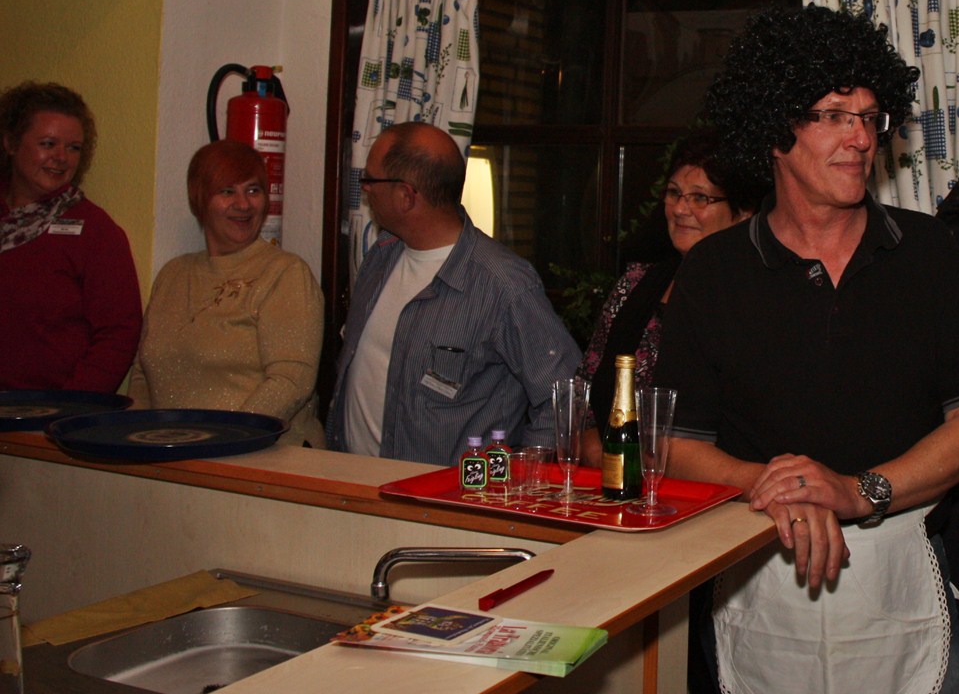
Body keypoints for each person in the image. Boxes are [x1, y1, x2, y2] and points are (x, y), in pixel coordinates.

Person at [654, 4, 959, 694]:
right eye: (834, 116)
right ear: (774, 130)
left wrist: (856, 490)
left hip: (903, 589)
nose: (861, 138)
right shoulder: (714, 270)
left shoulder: (927, 252)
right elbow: (675, 443)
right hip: (759, 578)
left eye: (870, 117)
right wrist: (773, 484)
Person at [325, 121, 580, 465]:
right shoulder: (380, 256)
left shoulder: (503, 285)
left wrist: (522, 475)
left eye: (370, 180)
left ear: (405, 196)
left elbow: (564, 399)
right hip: (351, 480)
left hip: (446, 494)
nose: (365, 189)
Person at [578, 129, 760, 464]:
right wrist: (591, 441)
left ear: (743, 212)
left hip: (721, 482)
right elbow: (585, 391)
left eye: (700, 198)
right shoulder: (637, 284)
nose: (680, 209)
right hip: (618, 480)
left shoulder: (756, 297)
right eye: (674, 193)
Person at [125, 140, 324, 446]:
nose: (243, 204)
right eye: (227, 191)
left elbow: (292, 381)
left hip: (260, 456)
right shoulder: (172, 275)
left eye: (253, 190)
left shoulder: (285, 273)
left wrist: (223, 440)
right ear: (199, 199)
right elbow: (142, 375)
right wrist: (139, 441)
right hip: (174, 455)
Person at [0, 81, 140, 392]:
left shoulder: (96, 232)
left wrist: (71, 408)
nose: (61, 157)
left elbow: (119, 334)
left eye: (73, 147)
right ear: (10, 142)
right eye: (48, 143)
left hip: (51, 414)